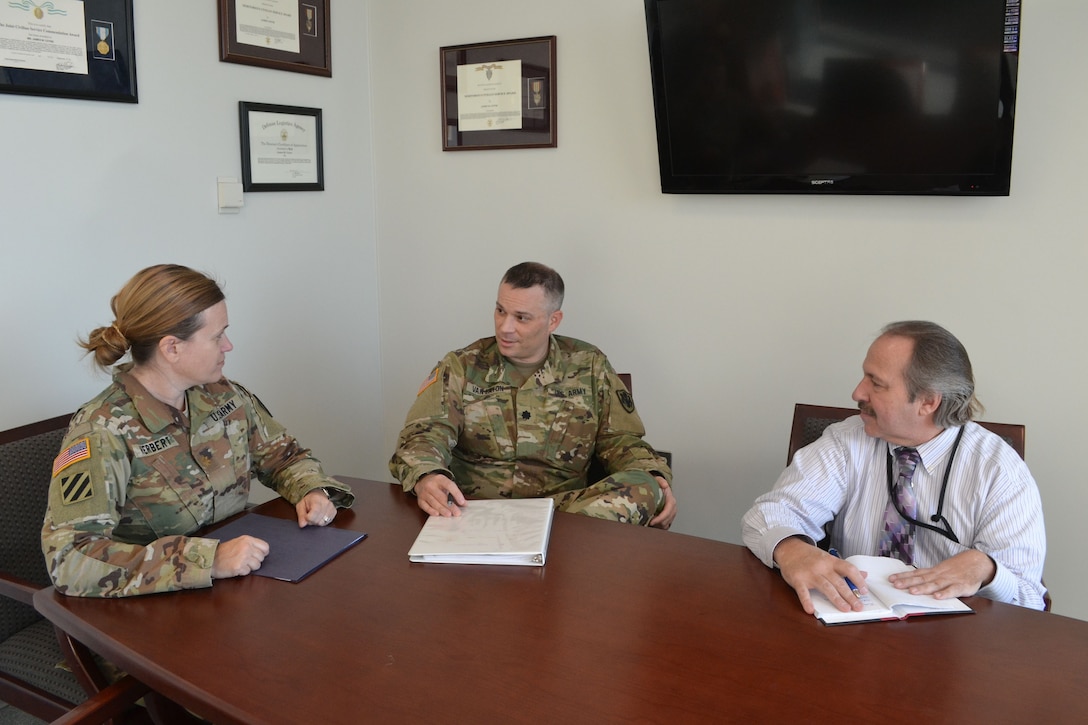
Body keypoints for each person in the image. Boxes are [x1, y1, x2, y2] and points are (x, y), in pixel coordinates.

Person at [42, 264, 354, 597]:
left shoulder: (223, 394)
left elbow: (283, 457)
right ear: (172, 348)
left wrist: (310, 490)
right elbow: (69, 558)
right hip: (155, 607)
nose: (228, 345)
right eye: (217, 336)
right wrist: (207, 560)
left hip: (241, 583)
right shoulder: (102, 431)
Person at [742, 321, 1046, 612]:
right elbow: (766, 515)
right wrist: (792, 550)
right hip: (849, 620)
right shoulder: (845, 441)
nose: (857, 393)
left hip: (952, 644)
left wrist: (988, 570)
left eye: (876, 383)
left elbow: (1030, 599)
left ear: (928, 401)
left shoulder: (999, 472)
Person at [389, 262, 676, 528]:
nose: (505, 327)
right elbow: (425, 435)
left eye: (521, 317)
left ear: (553, 321)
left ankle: (549, 539)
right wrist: (427, 476)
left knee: (646, 487)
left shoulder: (589, 366)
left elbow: (621, 441)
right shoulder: (462, 366)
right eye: (500, 311)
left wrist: (654, 476)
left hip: (564, 513)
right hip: (474, 512)